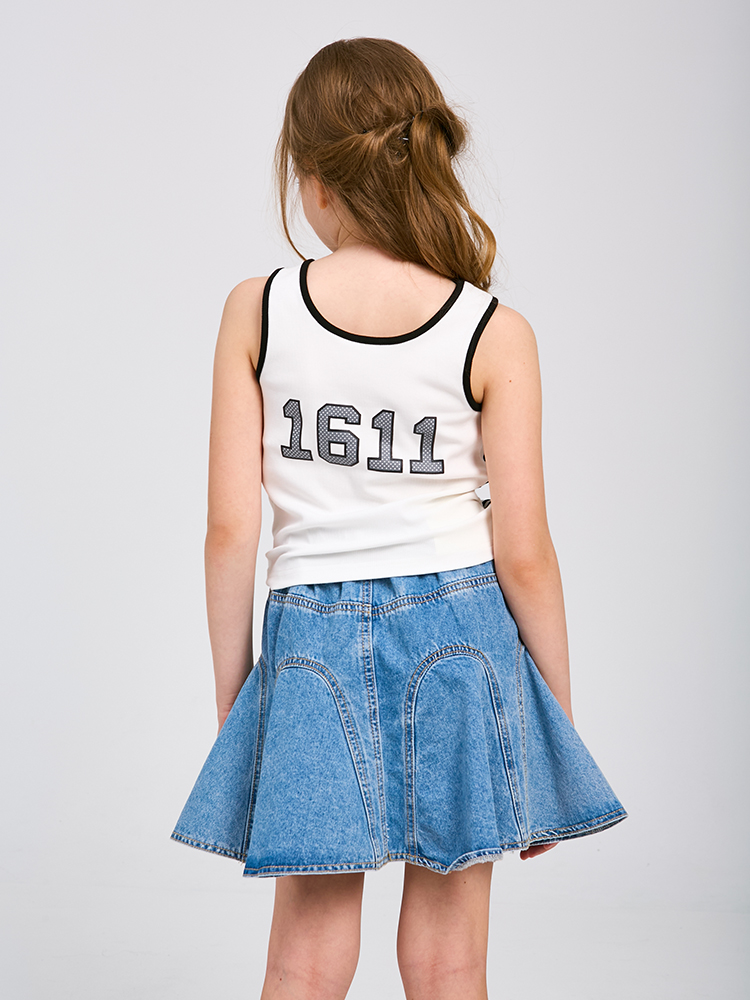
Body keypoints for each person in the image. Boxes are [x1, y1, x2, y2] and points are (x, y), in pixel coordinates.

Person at [171, 37, 626, 1000]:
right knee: (449, 962)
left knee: (303, 960)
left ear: (312, 179)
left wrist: (238, 699)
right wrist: (550, 720)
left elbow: (229, 533)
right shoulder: (493, 331)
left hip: (309, 643)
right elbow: (527, 554)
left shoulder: (257, 311)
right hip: (463, 639)